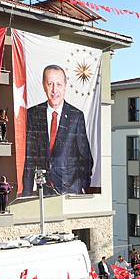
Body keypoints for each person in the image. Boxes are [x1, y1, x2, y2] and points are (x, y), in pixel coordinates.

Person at [22, 64, 93, 196]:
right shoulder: (33, 114)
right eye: (50, 84)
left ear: (65, 86)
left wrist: (82, 186)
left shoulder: (76, 116)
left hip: (70, 192)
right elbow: (29, 158)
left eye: (59, 84)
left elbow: (85, 158)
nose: (55, 90)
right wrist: (26, 194)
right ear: (44, 85)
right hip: (43, 192)